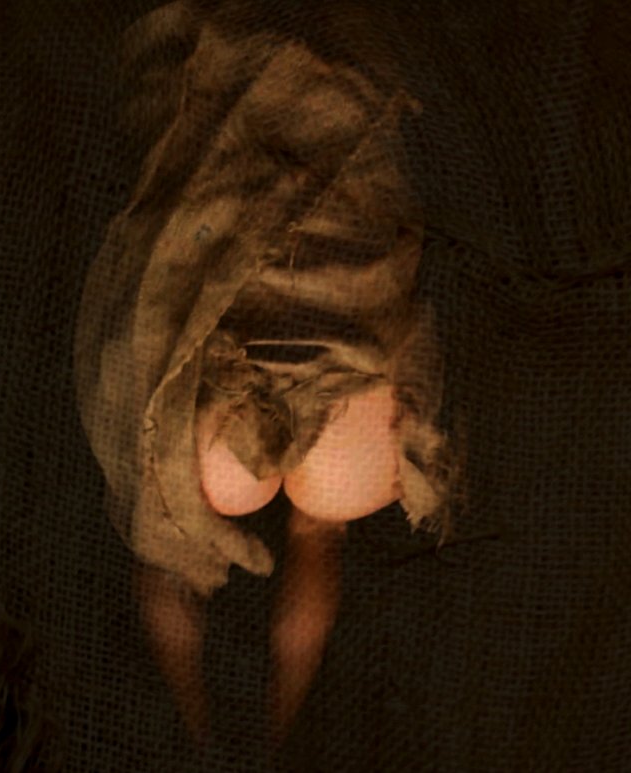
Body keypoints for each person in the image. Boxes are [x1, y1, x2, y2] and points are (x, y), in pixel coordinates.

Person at [74, 1, 451, 741]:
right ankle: (276, 737)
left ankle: (195, 734)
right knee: (320, 527)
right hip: (350, 444)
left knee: (166, 550)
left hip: (212, 431)